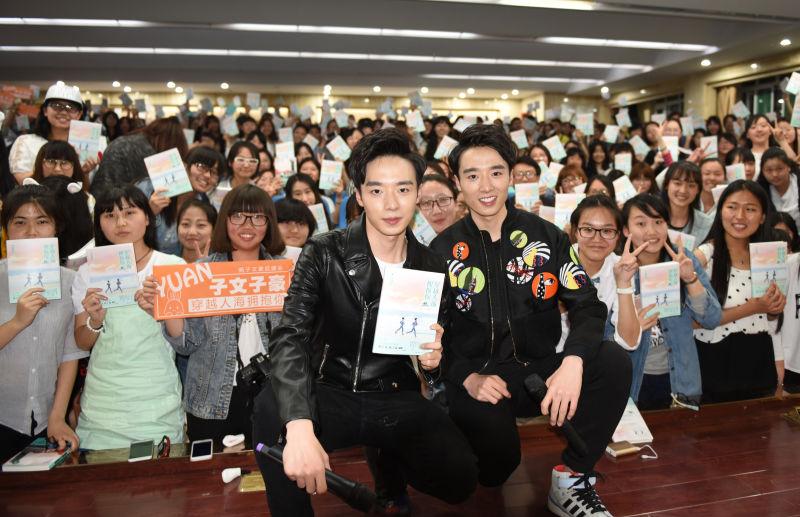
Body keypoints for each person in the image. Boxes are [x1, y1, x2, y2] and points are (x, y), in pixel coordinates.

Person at [252, 128, 478, 516]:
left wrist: (431, 362)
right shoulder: (325, 251)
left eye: (403, 189)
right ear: (359, 195)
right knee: (271, 408)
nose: (391, 204)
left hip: (393, 394)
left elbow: (434, 364)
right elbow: (289, 336)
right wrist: (300, 425)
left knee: (460, 478)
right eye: (376, 190)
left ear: (417, 194)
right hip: (330, 391)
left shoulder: (430, 265)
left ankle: (388, 463)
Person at [430, 124, 630, 517]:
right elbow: (432, 336)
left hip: (541, 369)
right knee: (495, 470)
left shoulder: (547, 236)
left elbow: (588, 307)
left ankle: (572, 478)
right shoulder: (440, 251)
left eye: (496, 172)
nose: (486, 186)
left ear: (510, 175)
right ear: (458, 183)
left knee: (612, 361)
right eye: (472, 175)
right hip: (481, 379)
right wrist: (466, 377)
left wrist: (573, 362)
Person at [139, 185, 284, 448]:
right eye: (237, 216)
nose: (247, 225)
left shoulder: (284, 274)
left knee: (267, 469)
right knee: (210, 472)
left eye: (257, 217)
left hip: (272, 396)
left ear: (269, 223)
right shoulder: (200, 273)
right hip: (210, 399)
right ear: (225, 221)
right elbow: (186, 345)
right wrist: (167, 305)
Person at [72, 185, 185, 449]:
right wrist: (95, 320)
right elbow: (82, 342)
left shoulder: (171, 266)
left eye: (129, 213)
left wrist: (159, 312)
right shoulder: (87, 273)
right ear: (99, 223)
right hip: (103, 404)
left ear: (147, 218)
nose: (120, 222)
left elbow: (182, 338)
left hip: (157, 399)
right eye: (109, 215)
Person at [0, 185, 88, 462]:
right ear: (6, 229)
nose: (31, 232)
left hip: (46, 420)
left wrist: (57, 417)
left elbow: (69, 354)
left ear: (56, 228)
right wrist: (17, 322)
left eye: (41, 222)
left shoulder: (71, 281)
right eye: (20, 223)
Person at [617, 194, 720, 410]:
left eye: (658, 222)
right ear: (626, 230)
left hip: (681, 380)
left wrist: (690, 279)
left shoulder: (682, 259)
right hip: (633, 380)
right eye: (641, 223)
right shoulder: (618, 268)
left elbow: (711, 319)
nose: (651, 231)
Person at [694, 180, 786, 403]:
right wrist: (752, 307)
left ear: (763, 217)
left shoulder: (769, 256)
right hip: (712, 360)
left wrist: (773, 308)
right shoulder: (704, 256)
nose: (740, 216)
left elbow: (771, 319)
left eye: (750, 209)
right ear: (720, 211)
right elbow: (692, 321)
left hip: (759, 359)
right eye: (732, 207)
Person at [136, 146, 223, 256]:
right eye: (202, 167)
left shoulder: (204, 206)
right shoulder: (148, 188)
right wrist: (149, 213)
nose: (207, 175)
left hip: (173, 264)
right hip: (140, 259)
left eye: (214, 172)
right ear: (185, 165)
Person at [9, 83, 95, 183]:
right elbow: (21, 180)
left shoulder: (86, 146)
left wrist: (83, 173)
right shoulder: (25, 142)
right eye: (57, 106)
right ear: (45, 110)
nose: (64, 112)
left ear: (79, 115)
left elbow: (86, 187)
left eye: (71, 108)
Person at [91, 117, 188, 197]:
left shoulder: (126, 140)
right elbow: (168, 193)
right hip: (120, 204)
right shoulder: (151, 153)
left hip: (99, 199)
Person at [661, 161, 714, 243]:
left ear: (698, 190)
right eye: (677, 183)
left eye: (691, 185)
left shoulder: (707, 224)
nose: (683, 190)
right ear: (667, 185)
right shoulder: (651, 217)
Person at [756, 147, 800, 231]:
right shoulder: (760, 190)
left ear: (788, 167)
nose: (775, 174)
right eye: (769, 170)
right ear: (762, 171)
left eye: (779, 169)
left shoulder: (797, 182)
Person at [176, 199, 217, 264]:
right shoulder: (164, 260)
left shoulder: (223, 262)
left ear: (214, 230)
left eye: (201, 225)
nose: (192, 232)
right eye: (185, 224)